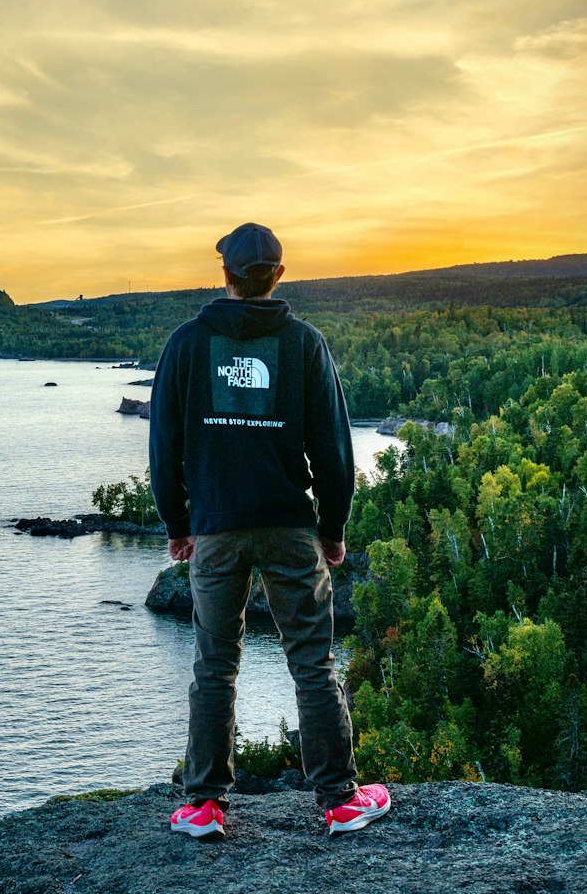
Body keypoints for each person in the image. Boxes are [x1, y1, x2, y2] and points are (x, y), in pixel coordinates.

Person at [149, 221, 390, 840]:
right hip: (290, 527)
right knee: (313, 662)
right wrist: (333, 529)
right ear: (277, 276)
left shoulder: (186, 344)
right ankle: (339, 799)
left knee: (214, 664)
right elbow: (334, 451)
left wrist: (179, 522)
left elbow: (164, 445)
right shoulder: (305, 343)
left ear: (224, 274)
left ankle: (203, 804)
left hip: (217, 529)